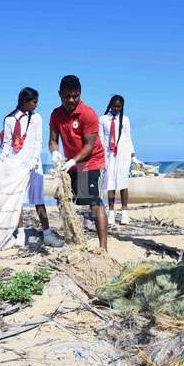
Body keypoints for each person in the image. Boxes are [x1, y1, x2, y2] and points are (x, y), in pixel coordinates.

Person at [49, 75, 108, 251]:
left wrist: (74, 160)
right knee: (65, 199)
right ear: (60, 94)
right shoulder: (56, 114)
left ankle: (103, 248)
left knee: (94, 202)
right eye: (67, 96)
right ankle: (74, 240)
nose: (71, 100)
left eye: (75, 96)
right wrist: (55, 153)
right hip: (71, 164)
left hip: (92, 161)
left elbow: (89, 146)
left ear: (80, 94)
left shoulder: (88, 114)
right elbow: (53, 140)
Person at [0, 87, 64, 248]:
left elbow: (38, 142)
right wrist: (2, 158)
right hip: (15, 164)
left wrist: (35, 159)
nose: (36, 105)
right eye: (34, 102)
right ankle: (20, 233)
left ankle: (47, 233)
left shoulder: (36, 118)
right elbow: (7, 144)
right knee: (17, 201)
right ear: (25, 101)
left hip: (33, 165)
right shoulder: (9, 119)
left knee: (38, 199)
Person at [98, 95, 142, 226]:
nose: (116, 108)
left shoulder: (125, 120)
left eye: (119, 106)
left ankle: (124, 213)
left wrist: (133, 156)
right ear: (110, 104)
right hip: (108, 154)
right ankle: (111, 213)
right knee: (110, 184)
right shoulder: (103, 119)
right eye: (114, 105)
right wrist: (100, 156)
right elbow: (100, 138)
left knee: (122, 183)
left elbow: (128, 138)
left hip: (123, 154)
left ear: (122, 107)